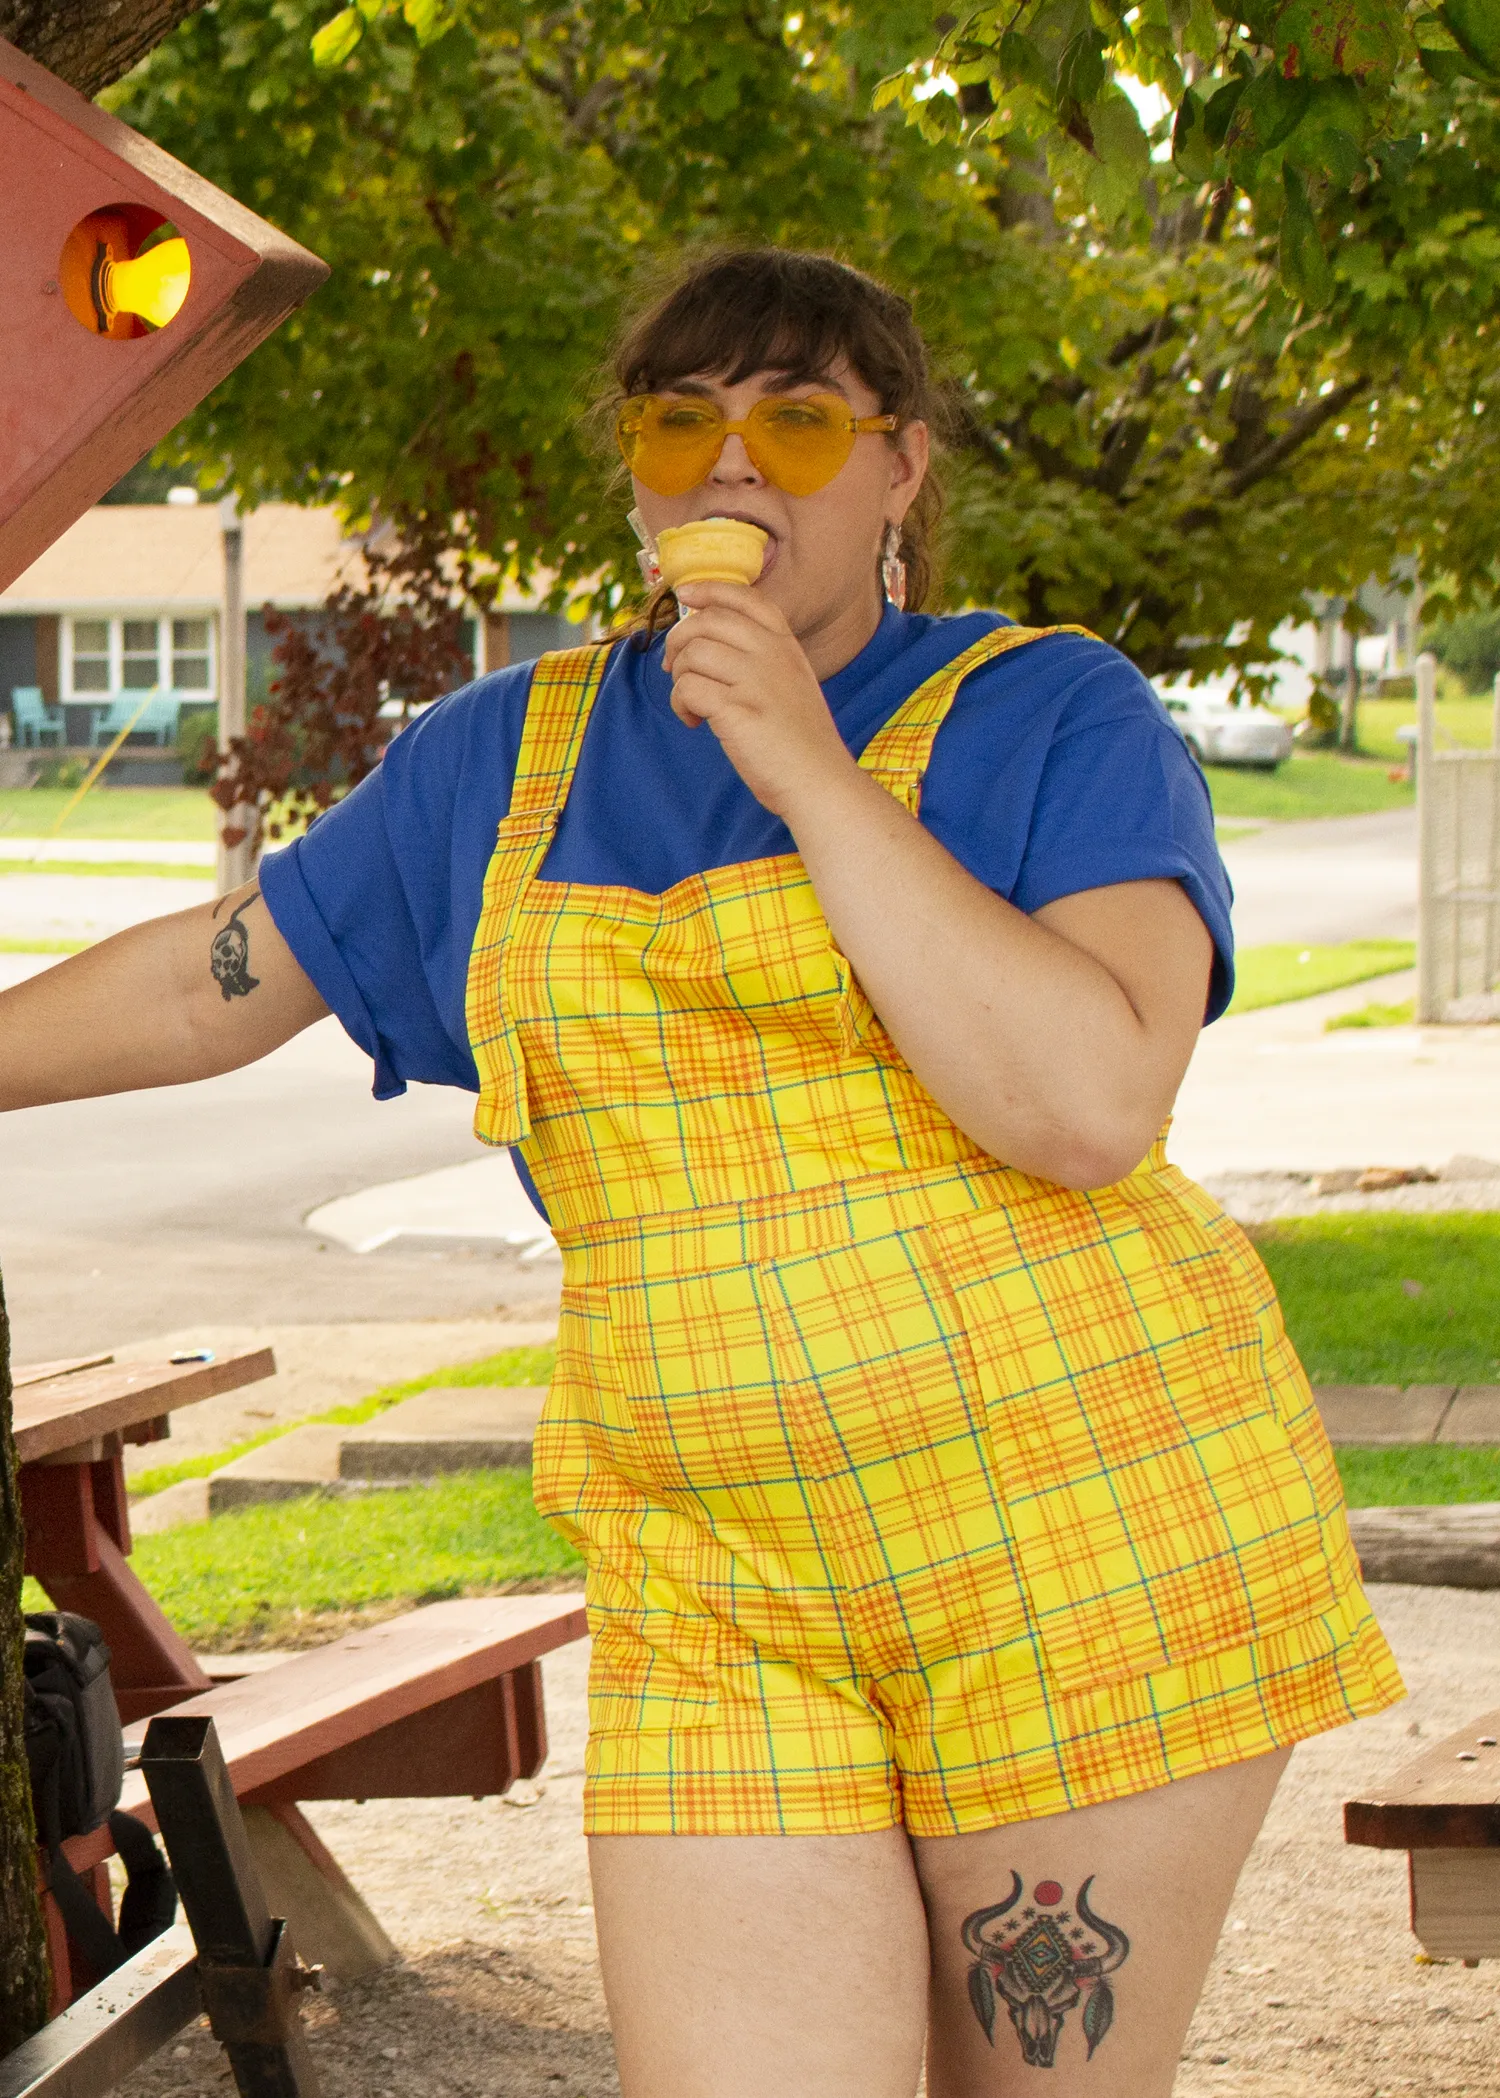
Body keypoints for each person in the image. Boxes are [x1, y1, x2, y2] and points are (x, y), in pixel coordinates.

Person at [0, 248, 1402, 2096]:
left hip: (1087, 1541)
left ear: (901, 470)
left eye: (799, 419)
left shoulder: (1052, 710)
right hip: (716, 1574)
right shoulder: (499, 758)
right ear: (638, 473)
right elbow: (215, 981)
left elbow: (1086, 1107)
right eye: (684, 420)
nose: (735, 465)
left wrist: (810, 771)